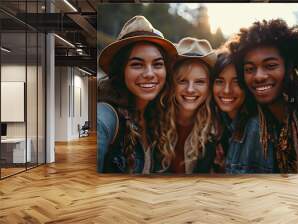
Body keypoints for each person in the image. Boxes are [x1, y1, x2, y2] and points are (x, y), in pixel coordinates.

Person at [229, 19, 298, 173]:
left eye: (271, 66)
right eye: (249, 69)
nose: (258, 76)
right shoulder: (251, 121)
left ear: (288, 67)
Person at [97, 15, 177, 173]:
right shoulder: (106, 115)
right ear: (121, 71)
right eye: (137, 64)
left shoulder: (156, 117)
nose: (149, 73)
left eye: (157, 64)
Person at [155, 37, 217, 174]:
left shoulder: (215, 129)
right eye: (183, 81)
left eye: (199, 82)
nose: (190, 89)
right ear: (173, 84)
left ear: (209, 87)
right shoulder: (154, 118)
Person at [212, 49, 277, 173]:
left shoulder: (255, 129)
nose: (226, 90)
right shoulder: (220, 123)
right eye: (219, 81)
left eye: (236, 82)